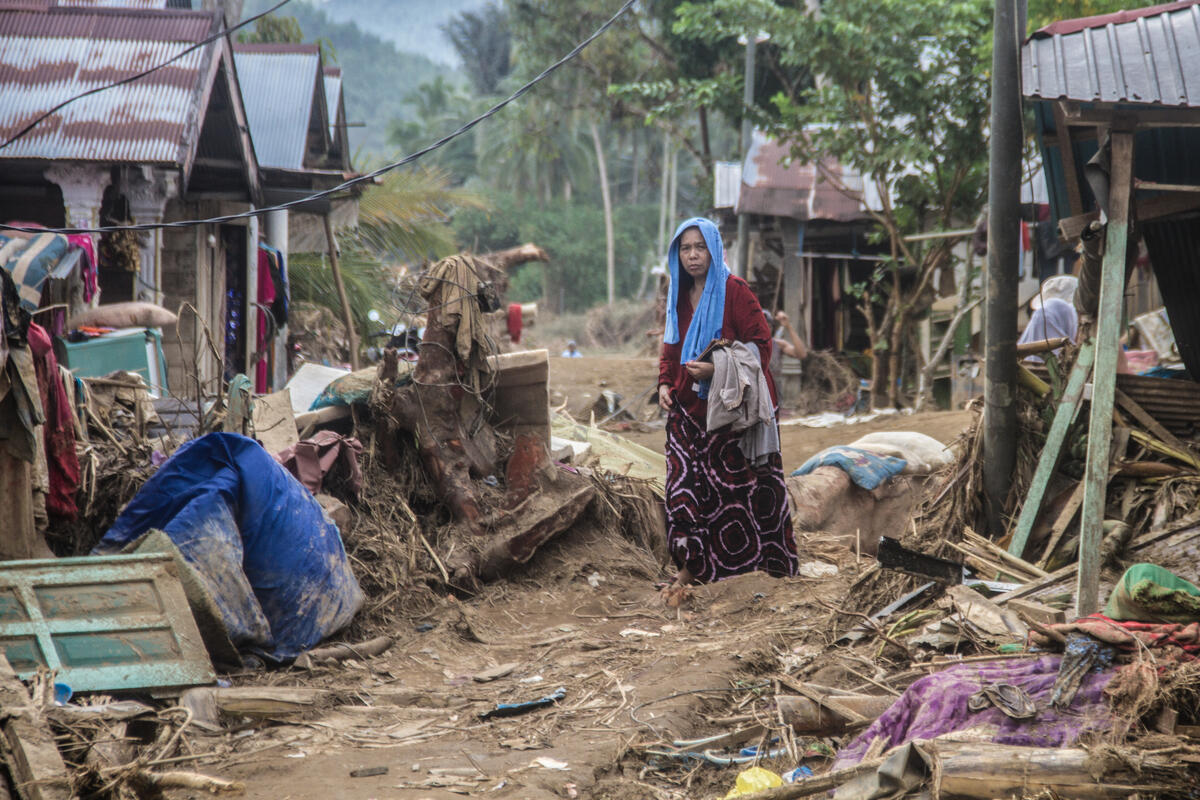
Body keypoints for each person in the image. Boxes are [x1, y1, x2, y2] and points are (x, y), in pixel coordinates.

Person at [657, 218, 798, 605]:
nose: (692, 256)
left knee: (739, 493)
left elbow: (761, 347)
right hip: (688, 413)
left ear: (715, 250)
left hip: (732, 415)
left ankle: (755, 570)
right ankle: (691, 567)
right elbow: (671, 345)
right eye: (685, 248)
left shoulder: (736, 292)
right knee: (682, 492)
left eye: (699, 247)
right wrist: (665, 383)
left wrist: (717, 368)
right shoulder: (678, 293)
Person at [766, 310, 808, 391]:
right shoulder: (748, 345)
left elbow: (802, 354)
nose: (766, 329)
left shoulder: (777, 344)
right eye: (763, 326)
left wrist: (788, 326)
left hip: (775, 395)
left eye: (769, 326)